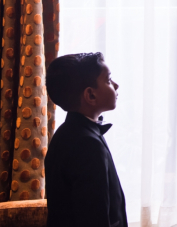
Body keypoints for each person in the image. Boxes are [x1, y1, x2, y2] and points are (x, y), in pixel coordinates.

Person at [45, 52, 127, 227]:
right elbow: (94, 218)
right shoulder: (87, 145)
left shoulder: (66, 133)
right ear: (91, 96)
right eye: (108, 80)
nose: (116, 85)